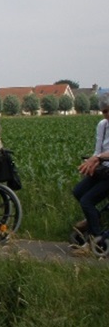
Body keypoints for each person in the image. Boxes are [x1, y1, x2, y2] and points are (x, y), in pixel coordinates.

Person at [71, 93, 109, 248]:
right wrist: (91, 163)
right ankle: (94, 218)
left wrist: (98, 158)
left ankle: (96, 237)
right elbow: (97, 150)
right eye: (105, 111)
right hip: (103, 170)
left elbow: (101, 155)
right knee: (78, 192)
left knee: (87, 200)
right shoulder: (102, 125)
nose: (107, 114)